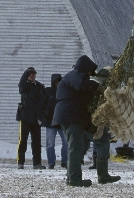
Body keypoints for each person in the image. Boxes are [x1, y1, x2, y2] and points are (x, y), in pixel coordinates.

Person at [52, 55, 116, 187]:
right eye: (89, 72)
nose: (90, 75)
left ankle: (103, 175)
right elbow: (81, 84)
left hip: (80, 117)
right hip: (71, 115)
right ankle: (74, 178)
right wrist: (98, 87)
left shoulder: (78, 77)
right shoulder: (74, 75)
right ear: (85, 68)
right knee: (75, 146)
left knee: (102, 140)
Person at [16, 67, 47, 169]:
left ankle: (37, 163)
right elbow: (21, 84)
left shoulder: (39, 86)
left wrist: (42, 116)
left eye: (33, 74)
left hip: (35, 118)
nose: (32, 76)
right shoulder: (24, 86)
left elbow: (44, 101)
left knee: (37, 142)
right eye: (30, 74)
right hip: (25, 117)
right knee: (23, 141)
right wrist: (26, 73)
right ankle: (20, 162)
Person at [42, 73, 67, 169]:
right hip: (50, 122)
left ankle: (64, 162)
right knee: (50, 144)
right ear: (53, 82)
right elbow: (42, 104)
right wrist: (44, 116)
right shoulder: (47, 91)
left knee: (66, 143)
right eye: (56, 81)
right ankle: (51, 162)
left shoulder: (65, 91)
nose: (57, 83)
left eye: (59, 81)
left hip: (62, 122)